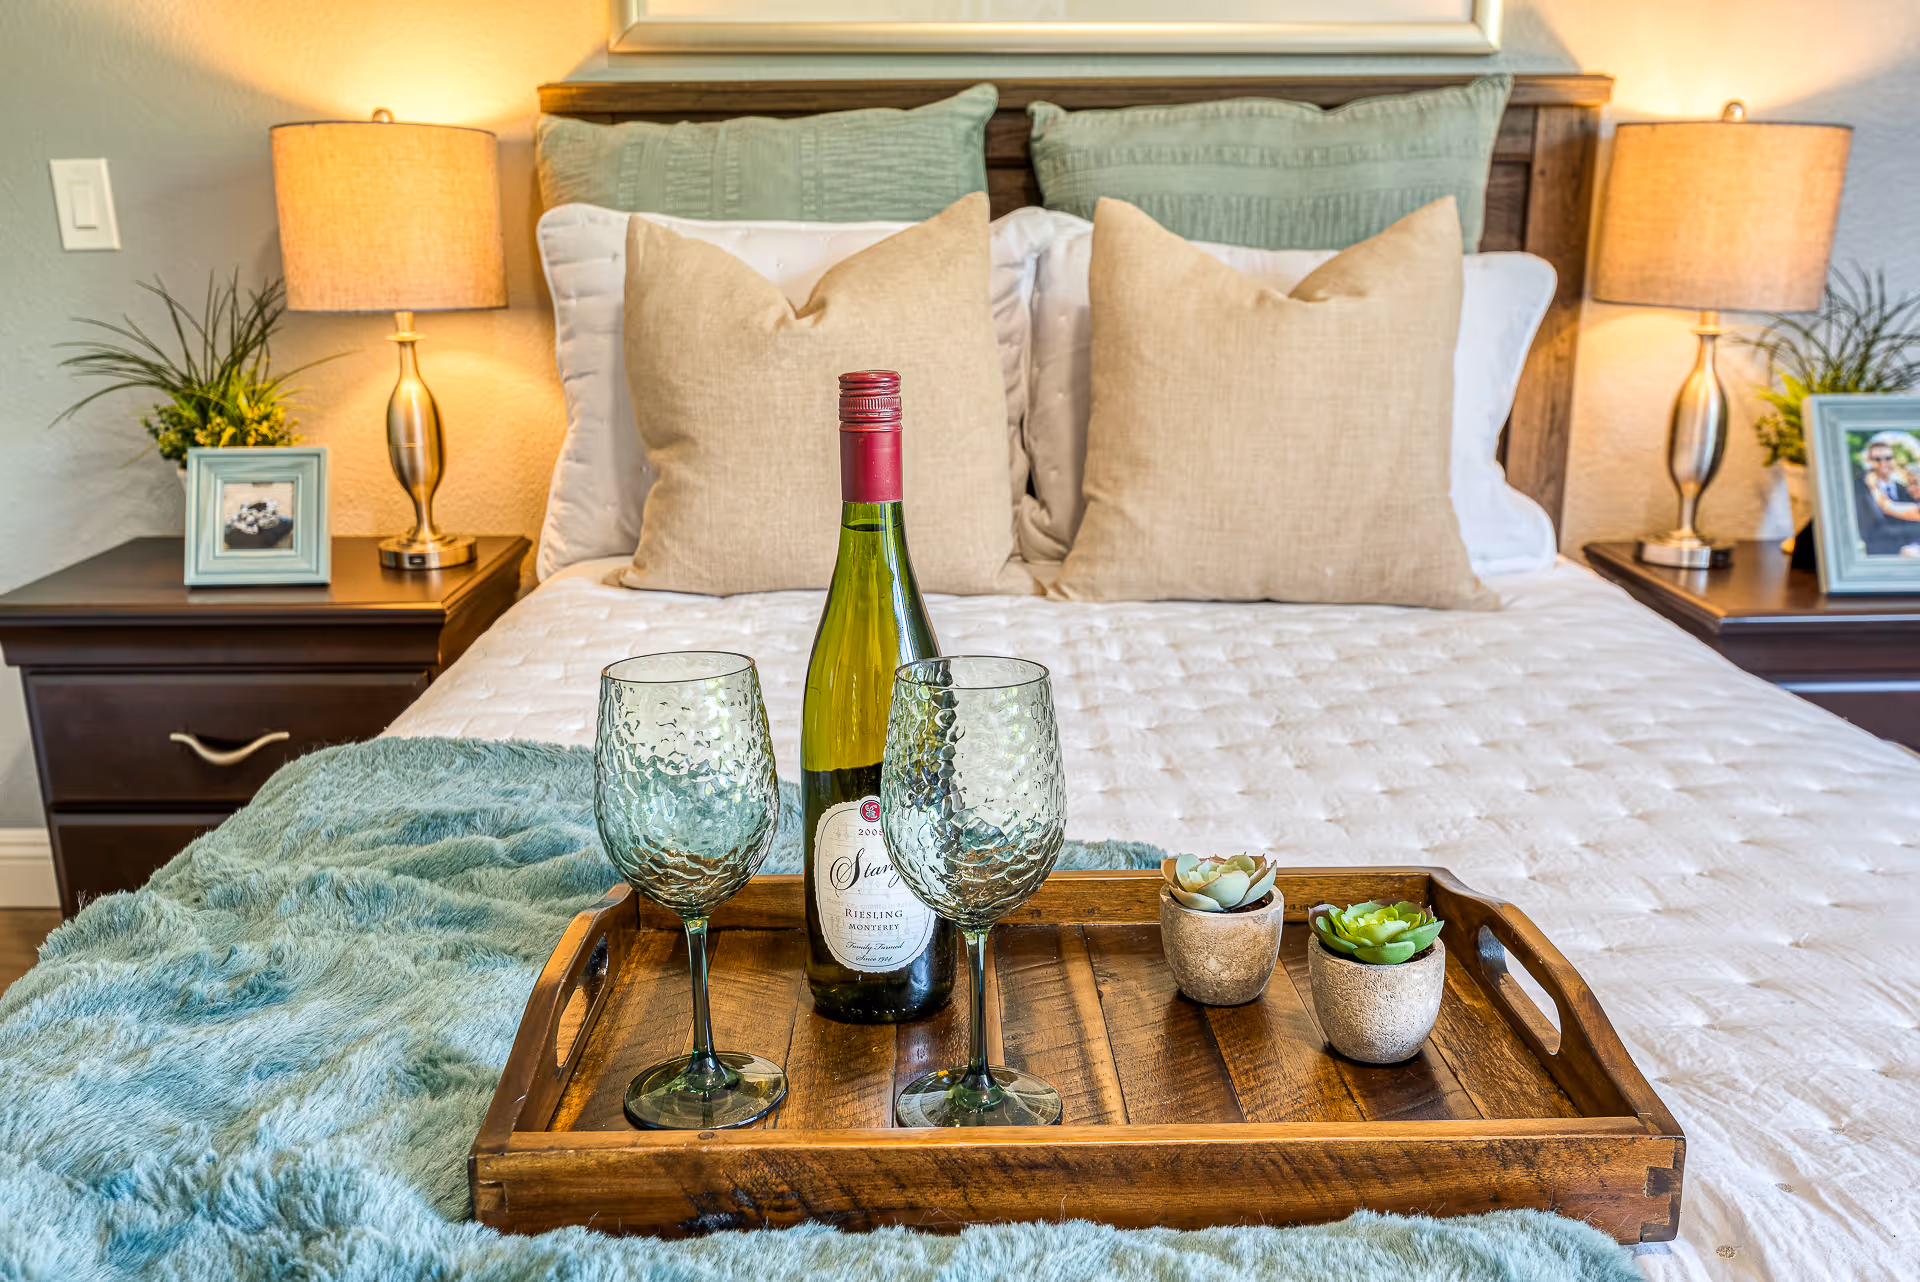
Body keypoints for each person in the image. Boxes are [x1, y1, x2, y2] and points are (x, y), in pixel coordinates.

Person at [1855, 434, 1920, 557]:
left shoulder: (1904, 489)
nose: (1883, 463)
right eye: (1877, 459)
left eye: (1888, 458)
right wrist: (1898, 550)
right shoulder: (1859, 490)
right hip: (1882, 557)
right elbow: (1866, 531)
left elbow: (1891, 508)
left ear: (1894, 460)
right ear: (1869, 462)